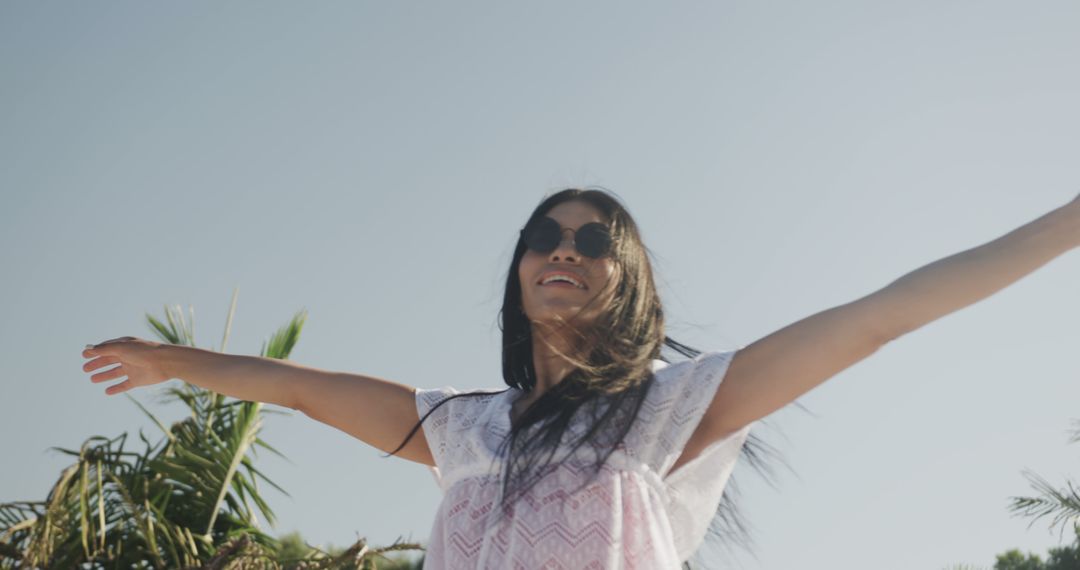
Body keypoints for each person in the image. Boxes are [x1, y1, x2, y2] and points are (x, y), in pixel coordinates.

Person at [81, 188, 1080, 569]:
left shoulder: (669, 412)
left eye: (594, 240)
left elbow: (882, 315)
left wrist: (1068, 221)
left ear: (626, 278)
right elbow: (304, 386)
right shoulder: (462, 429)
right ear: (519, 272)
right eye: (544, 238)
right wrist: (176, 363)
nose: (564, 249)